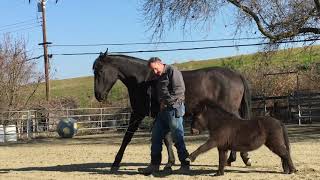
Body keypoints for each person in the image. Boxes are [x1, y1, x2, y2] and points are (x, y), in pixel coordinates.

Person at [138, 57, 190, 175]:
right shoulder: (159, 75)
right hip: (163, 111)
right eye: (153, 70)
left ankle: (185, 165)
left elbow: (179, 91)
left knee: (178, 137)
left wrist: (168, 103)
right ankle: (154, 165)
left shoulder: (173, 71)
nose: (155, 72)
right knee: (155, 136)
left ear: (160, 63)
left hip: (174, 108)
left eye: (155, 69)